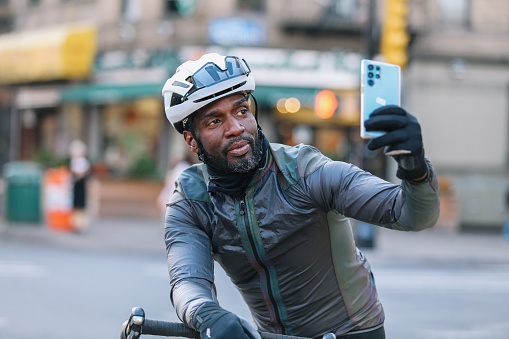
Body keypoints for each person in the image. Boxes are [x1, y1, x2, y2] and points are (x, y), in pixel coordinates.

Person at [161, 53, 440, 339]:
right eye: (214, 122)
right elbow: (187, 281)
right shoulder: (192, 200)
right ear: (191, 140)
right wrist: (206, 313)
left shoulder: (304, 171)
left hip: (353, 332)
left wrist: (415, 168)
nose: (236, 128)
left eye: (241, 111)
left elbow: (412, 214)